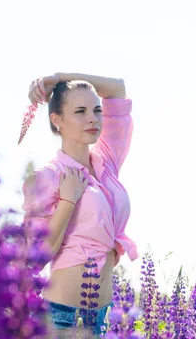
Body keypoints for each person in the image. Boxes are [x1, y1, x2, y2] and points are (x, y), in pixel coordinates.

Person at [20, 72, 139, 336]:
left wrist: (59, 78)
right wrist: (67, 201)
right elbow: (35, 257)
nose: (92, 118)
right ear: (57, 120)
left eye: (97, 110)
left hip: (104, 319)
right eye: (80, 111)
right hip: (61, 318)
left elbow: (117, 89)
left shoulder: (106, 162)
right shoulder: (45, 177)